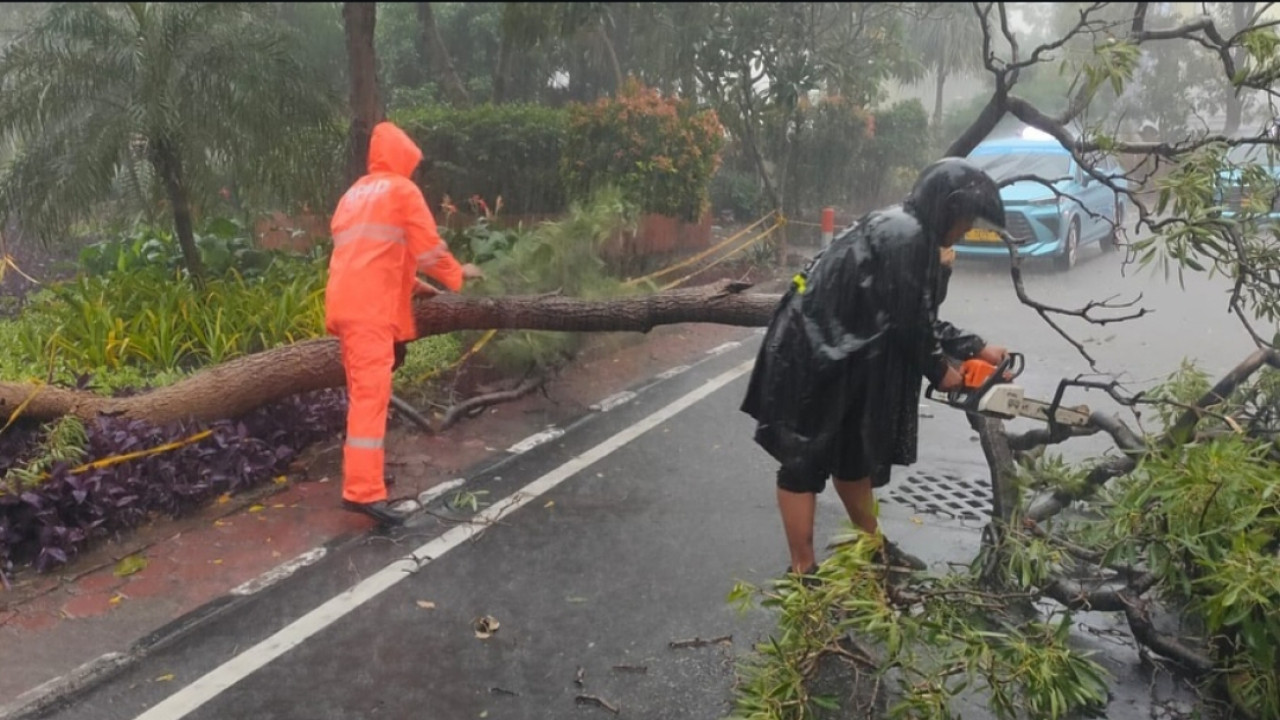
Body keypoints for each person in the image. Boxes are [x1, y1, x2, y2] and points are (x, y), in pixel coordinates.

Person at [740, 157, 1010, 578]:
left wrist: (975, 347)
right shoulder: (906, 234)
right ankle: (803, 571)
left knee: (853, 455)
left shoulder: (910, 232)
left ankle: (871, 547)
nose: (966, 230)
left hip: (840, 353)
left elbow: (917, 313)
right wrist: (942, 371)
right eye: (967, 219)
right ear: (949, 206)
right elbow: (911, 321)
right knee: (802, 461)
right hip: (809, 352)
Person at [325, 121, 483, 526]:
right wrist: (458, 274)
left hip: (347, 305)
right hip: (370, 312)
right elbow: (427, 250)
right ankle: (362, 492)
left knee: (364, 394)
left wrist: (417, 287)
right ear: (403, 158)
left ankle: (365, 474)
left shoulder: (352, 196)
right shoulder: (401, 191)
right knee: (370, 397)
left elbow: (372, 254)